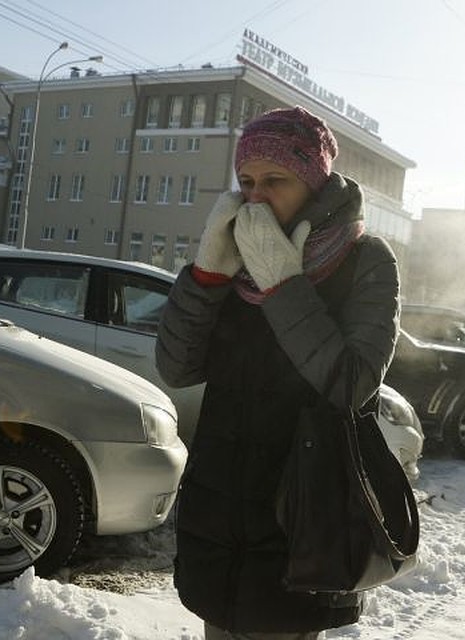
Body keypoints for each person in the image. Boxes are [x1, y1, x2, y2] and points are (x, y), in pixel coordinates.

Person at [155, 106, 400, 639]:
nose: (257, 196)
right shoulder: (234, 253)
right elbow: (176, 367)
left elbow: (351, 384)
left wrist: (284, 284)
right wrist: (206, 276)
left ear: (313, 182)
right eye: (246, 182)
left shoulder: (365, 260)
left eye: (275, 180)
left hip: (304, 517)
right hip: (219, 514)